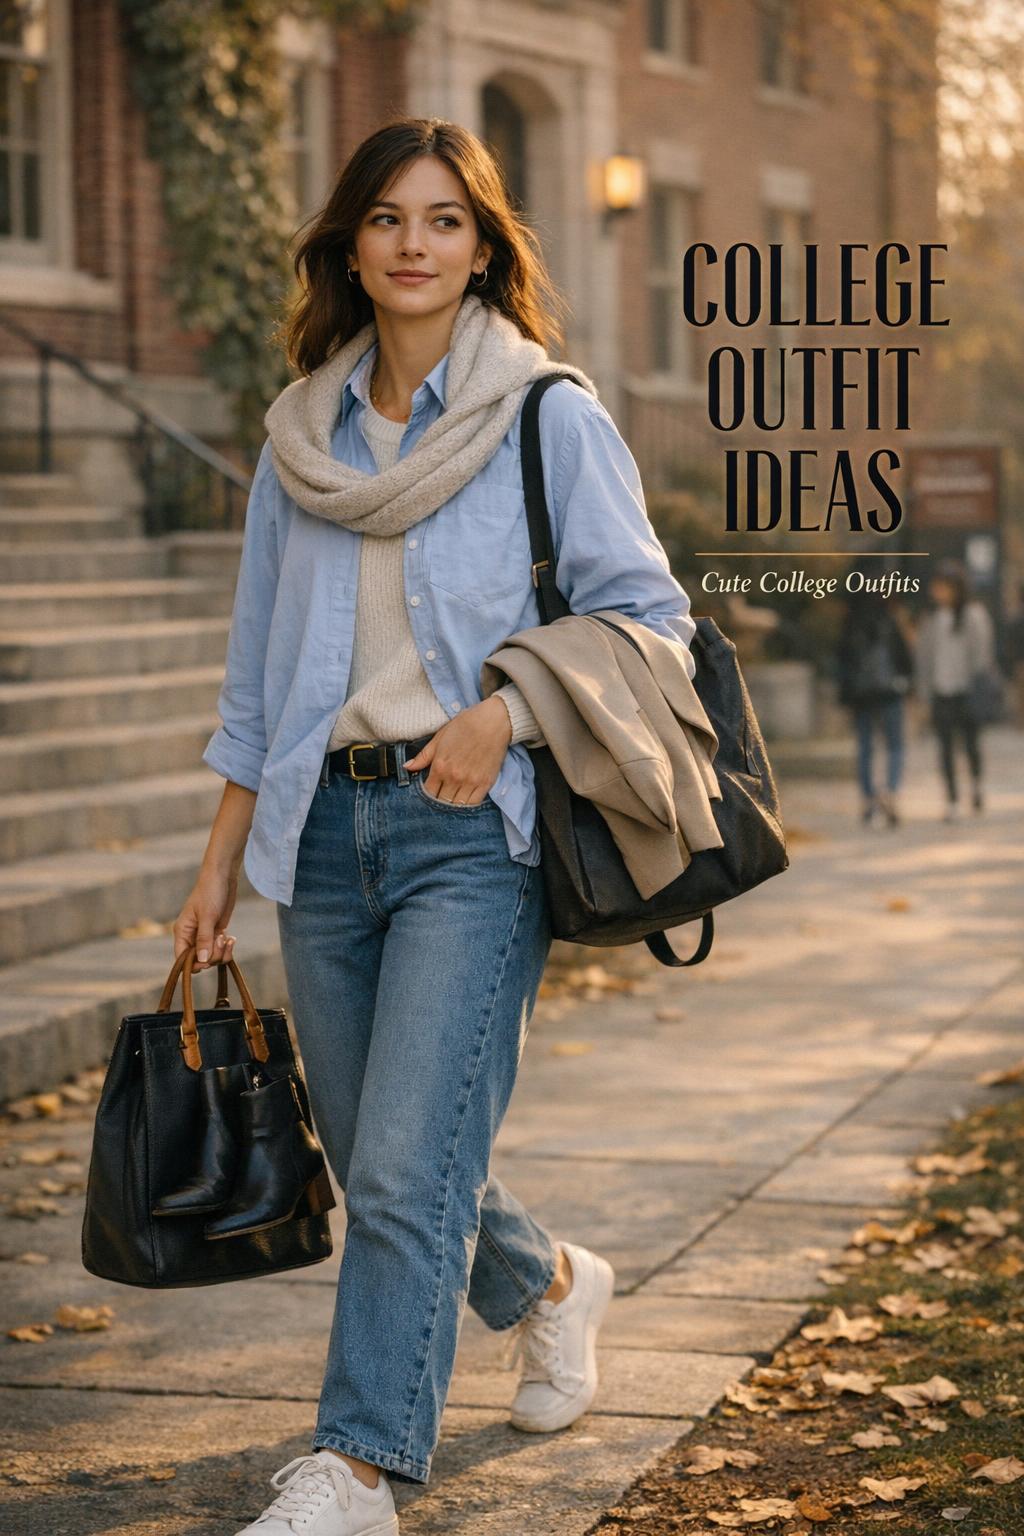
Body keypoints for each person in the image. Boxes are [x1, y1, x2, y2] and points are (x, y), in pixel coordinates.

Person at [172, 117, 697, 1536]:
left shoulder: (547, 415)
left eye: (445, 220)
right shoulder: (302, 438)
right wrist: (219, 861)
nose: (414, 243)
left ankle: (358, 1466)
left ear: (484, 247)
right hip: (319, 837)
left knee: (407, 1161)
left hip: (478, 833)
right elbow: (256, 669)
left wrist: (506, 710)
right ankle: (550, 1285)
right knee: (385, 1148)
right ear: (352, 241)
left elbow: (652, 621)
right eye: (389, 218)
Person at [915, 560, 997, 821]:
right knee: (945, 748)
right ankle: (951, 799)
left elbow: (982, 656)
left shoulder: (974, 615)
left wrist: (975, 683)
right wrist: (924, 694)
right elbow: (924, 660)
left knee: (971, 745)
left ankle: (976, 785)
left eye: (943, 586)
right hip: (941, 692)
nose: (938, 591)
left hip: (966, 690)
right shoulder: (931, 619)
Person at [836, 573, 914, 826]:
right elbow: (904, 658)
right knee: (895, 746)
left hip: (862, 696)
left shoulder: (850, 622)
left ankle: (868, 800)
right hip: (890, 692)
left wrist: (844, 696)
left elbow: (842, 663)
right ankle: (890, 791)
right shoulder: (889, 619)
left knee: (865, 749)